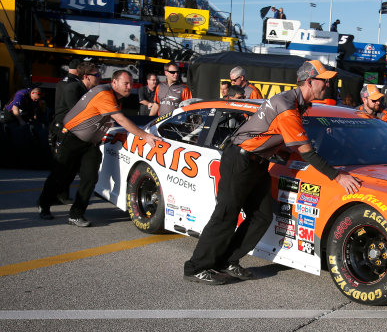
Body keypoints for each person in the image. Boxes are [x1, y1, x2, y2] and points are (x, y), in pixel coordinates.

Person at [183, 60, 362, 285]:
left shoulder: (296, 103)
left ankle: (228, 260)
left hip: (257, 161)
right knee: (225, 216)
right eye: (324, 80)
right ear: (309, 81)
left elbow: (281, 138)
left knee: (262, 216)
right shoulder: (287, 106)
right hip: (240, 159)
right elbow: (304, 149)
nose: (327, 84)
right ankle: (196, 267)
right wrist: (337, 175)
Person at [37, 70, 159, 225]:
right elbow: (120, 119)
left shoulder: (115, 97)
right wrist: (145, 135)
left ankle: (76, 214)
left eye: (131, 83)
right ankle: (44, 204)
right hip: (72, 139)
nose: (130, 87)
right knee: (60, 175)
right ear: (114, 82)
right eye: (126, 83)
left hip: (91, 144)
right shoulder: (104, 94)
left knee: (90, 178)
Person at [50, 60, 99, 205]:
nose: (99, 77)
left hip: (77, 133)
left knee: (74, 169)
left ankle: (63, 195)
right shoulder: (73, 88)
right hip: (64, 131)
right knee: (61, 168)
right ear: (87, 76)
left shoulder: (86, 89)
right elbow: (77, 113)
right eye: (96, 74)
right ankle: (46, 201)